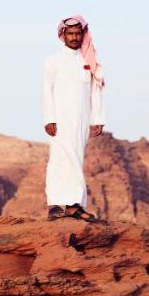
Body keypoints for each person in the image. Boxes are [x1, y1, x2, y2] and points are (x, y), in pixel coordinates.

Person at [42, 14, 105, 220]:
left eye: (78, 33)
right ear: (63, 35)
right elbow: (46, 91)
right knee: (58, 159)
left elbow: (96, 91)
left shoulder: (89, 62)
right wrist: (49, 118)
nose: (74, 37)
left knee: (76, 159)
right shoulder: (53, 61)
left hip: (82, 120)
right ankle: (54, 205)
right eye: (70, 33)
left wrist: (97, 119)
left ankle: (73, 205)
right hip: (60, 119)